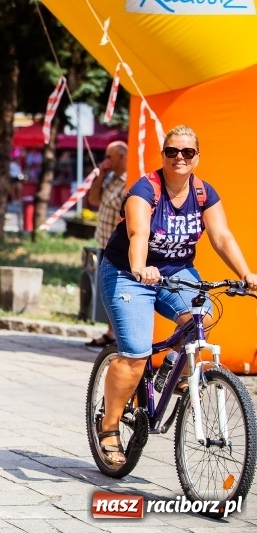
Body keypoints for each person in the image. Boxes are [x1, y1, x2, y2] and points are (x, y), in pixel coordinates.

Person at [97, 125, 257, 466]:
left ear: (198, 156)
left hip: (176, 271)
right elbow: (138, 233)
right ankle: (109, 427)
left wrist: (246, 274)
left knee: (202, 316)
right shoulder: (145, 189)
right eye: (172, 151)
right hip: (127, 273)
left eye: (187, 152)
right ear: (163, 155)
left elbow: (222, 237)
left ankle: (174, 366)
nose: (179, 157)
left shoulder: (203, 193)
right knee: (135, 354)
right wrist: (140, 267)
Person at [85, 140, 128, 348]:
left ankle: (119, 334)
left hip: (118, 245)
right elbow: (93, 200)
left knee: (117, 290)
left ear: (121, 156)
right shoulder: (110, 178)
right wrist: (100, 175)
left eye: (110, 156)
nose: (106, 160)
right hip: (103, 242)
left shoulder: (128, 181)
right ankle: (110, 333)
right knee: (107, 289)